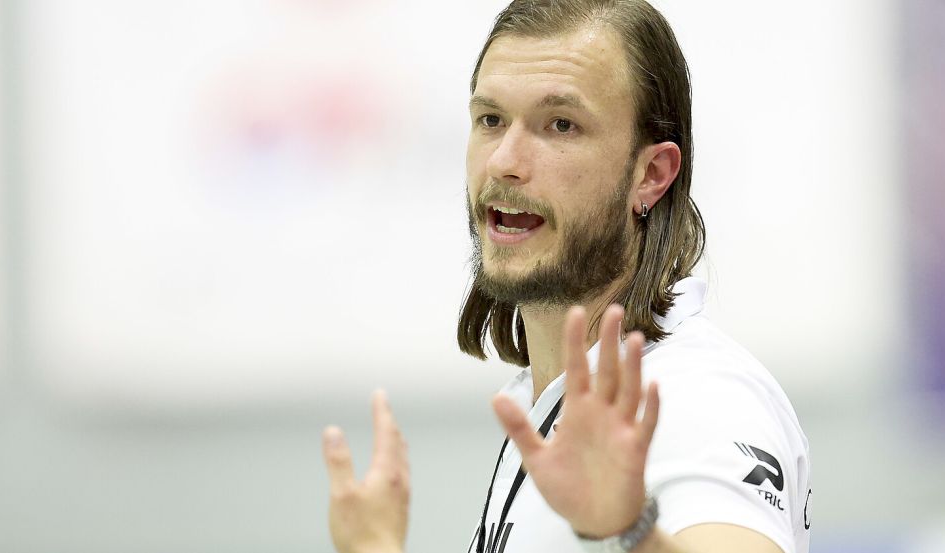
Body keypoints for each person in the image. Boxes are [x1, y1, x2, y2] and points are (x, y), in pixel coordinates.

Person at [321, 1, 812, 552]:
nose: (504, 160)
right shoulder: (549, 397)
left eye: (560, 125)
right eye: (491, 120)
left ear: (651, 175)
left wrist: (629, 530)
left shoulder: (695, 396)